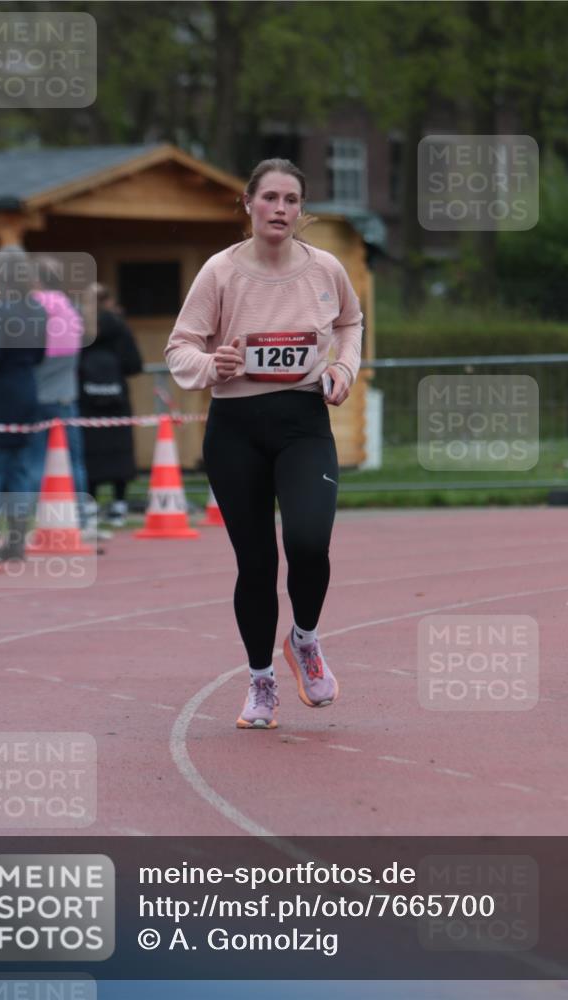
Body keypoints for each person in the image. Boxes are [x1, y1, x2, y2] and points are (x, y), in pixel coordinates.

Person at [165, 158, 362, 730]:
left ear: (302, 211)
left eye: (292, 200)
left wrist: (344, 369)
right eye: (270, 197)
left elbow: (351, 323)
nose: (281, 209)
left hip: (303, 422)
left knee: (308, 541)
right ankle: (260, 683)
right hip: (236, 427)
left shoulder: (325, 268)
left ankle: (303, 639)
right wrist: (211, 363)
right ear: (248, 204)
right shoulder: (219, 273)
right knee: (255, 563)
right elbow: (179, 348)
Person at [0, 246, 46, 561]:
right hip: (26, 390)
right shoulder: (37, 310)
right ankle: (15, 543)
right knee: (20, 471)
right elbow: (40, 355)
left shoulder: (0, 310)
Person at [27, 256, 88, 523]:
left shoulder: (32, 308)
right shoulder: (72, 309)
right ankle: (81, 517)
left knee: (35, 461)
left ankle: (33, 518)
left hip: (37, 394)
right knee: (73, 460)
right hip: (66, 395)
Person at [78, 284, 143, 527]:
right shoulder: (119, 326)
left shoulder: (78, 328)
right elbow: (134, 364)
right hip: (117, 402)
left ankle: (89, 503)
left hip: (85, 401)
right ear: (108, 301)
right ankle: (119, 504)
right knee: (120, 450)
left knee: (89, 450)